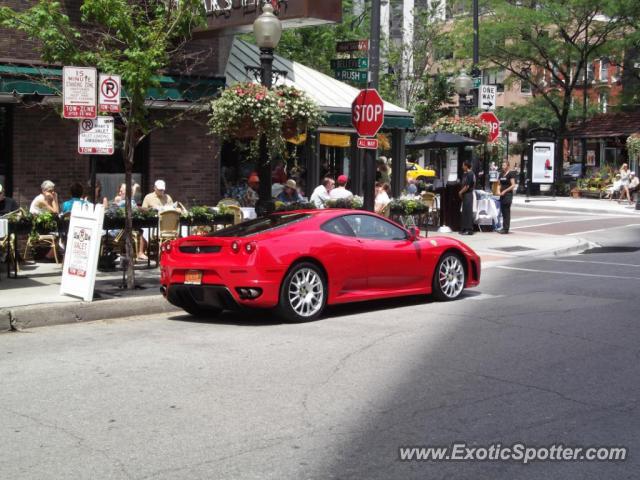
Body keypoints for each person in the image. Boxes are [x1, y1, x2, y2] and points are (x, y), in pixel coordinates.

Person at [497, 160, 518, 234]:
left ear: (508, 166)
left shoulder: (511, 174)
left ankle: (506, 229)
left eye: (504, 165)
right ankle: (503, 227)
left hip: (508, 195)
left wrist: (505, 191)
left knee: (506, 212)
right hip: (502, 195)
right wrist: (499, 191)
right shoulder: (501, 174)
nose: (503, 167)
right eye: (502, 165)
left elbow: (513, 185)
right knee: (503, 212)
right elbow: (499, 184)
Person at [458, 161, 475, 235]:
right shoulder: (465, 174)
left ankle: (469, 229)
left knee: (468, 212)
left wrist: (460, 192)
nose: (462, 167)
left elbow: (467, 186)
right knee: (464, 211)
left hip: (468, 194)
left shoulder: (470, 174)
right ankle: (464, 228)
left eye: (463, 165)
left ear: (466, 166)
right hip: (465, 195)